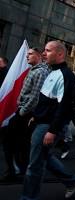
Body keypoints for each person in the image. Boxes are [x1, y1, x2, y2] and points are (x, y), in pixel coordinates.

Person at [20, 41, 75, 200]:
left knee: (34, 165)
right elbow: (46, 100)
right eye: (44, 50)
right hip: (41, 122)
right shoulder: (50, 72)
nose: (44, 53)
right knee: (42, 158)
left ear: (60, 54)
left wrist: (52, 130)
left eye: (48, 50)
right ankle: (71, 180)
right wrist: (36, 116)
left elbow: (64, 107)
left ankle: (28, 197)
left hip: (47, 126)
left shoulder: (66, 75)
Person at [1, 48, 49, 182]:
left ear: (39, 56)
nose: (27, 56)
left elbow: (35, 96)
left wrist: (22, 112)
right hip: (24, 112)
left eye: (30, 54)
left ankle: (16, 171)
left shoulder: (40, 71)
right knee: (18, 142)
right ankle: (19, 169)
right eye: (26, 54)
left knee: (12, 141)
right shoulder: (34, 70)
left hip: (26, 113)